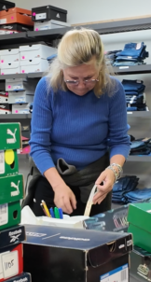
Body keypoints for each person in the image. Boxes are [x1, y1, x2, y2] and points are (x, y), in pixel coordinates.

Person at [25, 28, 130, 217]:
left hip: (95, 184)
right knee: (49, 244)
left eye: (89, 78)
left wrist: (114, 170)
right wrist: (58, 186)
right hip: (51, 180)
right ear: (61, 69)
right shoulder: (47, 88)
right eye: (72, 79)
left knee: (94, 242)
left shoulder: (113, 89)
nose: (81, 86)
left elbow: (120, 141)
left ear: (100, 67)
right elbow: (38, 145)